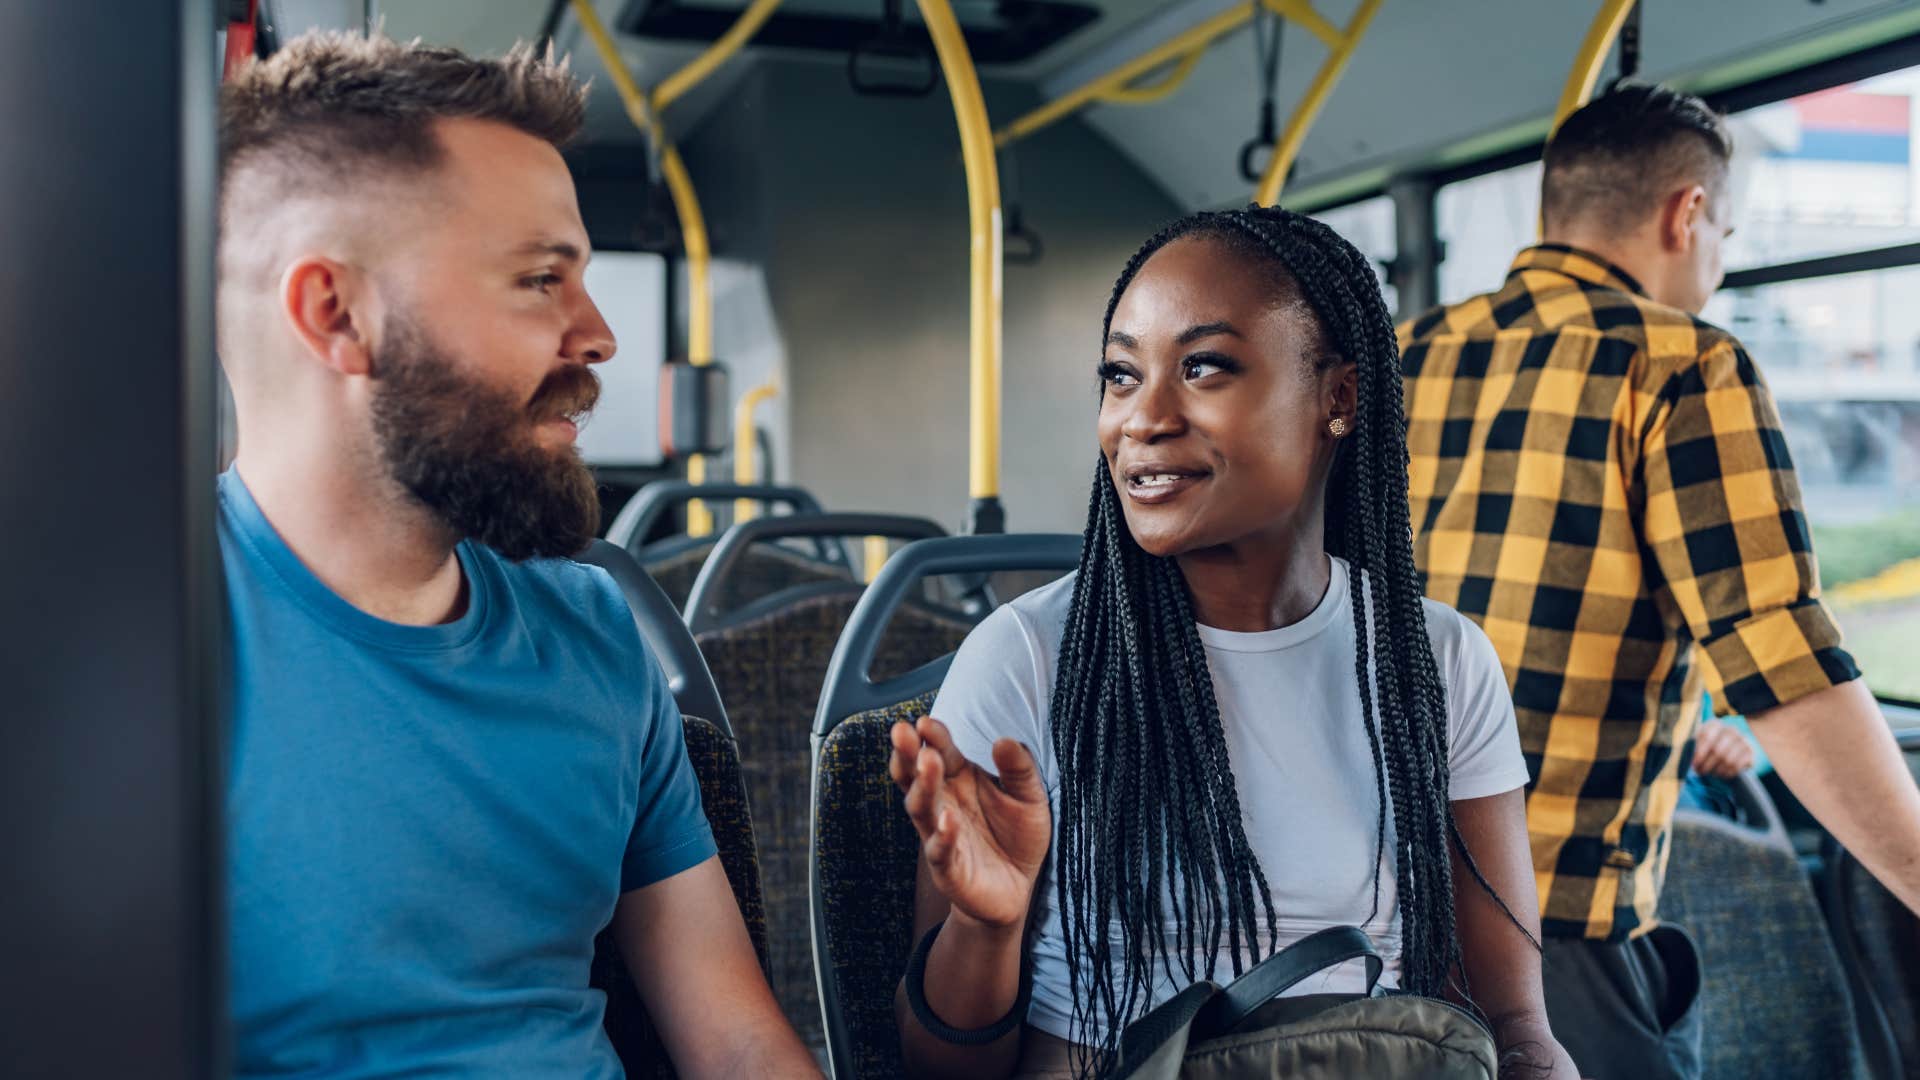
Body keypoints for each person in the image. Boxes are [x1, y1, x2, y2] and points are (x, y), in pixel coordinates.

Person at [216, 32, 817, 1078]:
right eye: (541, 279)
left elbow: (735, 1045)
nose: (597, 337)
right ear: (337, 315)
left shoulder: (593, 634)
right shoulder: (126, 643)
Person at [889, 207, 1576, 1079]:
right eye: (1121, 375)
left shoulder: (1436, 663)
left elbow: (1512, 1022)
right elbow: (937, 1073)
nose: (1143, 418)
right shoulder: (1027, 659)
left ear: (1338, 398)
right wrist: (987, 926)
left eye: (1203, 368)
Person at [1399, 82, 1920, 1079]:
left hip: (1374, 893)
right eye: (1725, 229)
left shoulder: (1403, 352)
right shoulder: (1681, 366)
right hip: (1547, 914)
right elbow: (1777, 654)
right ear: (1688, 214)